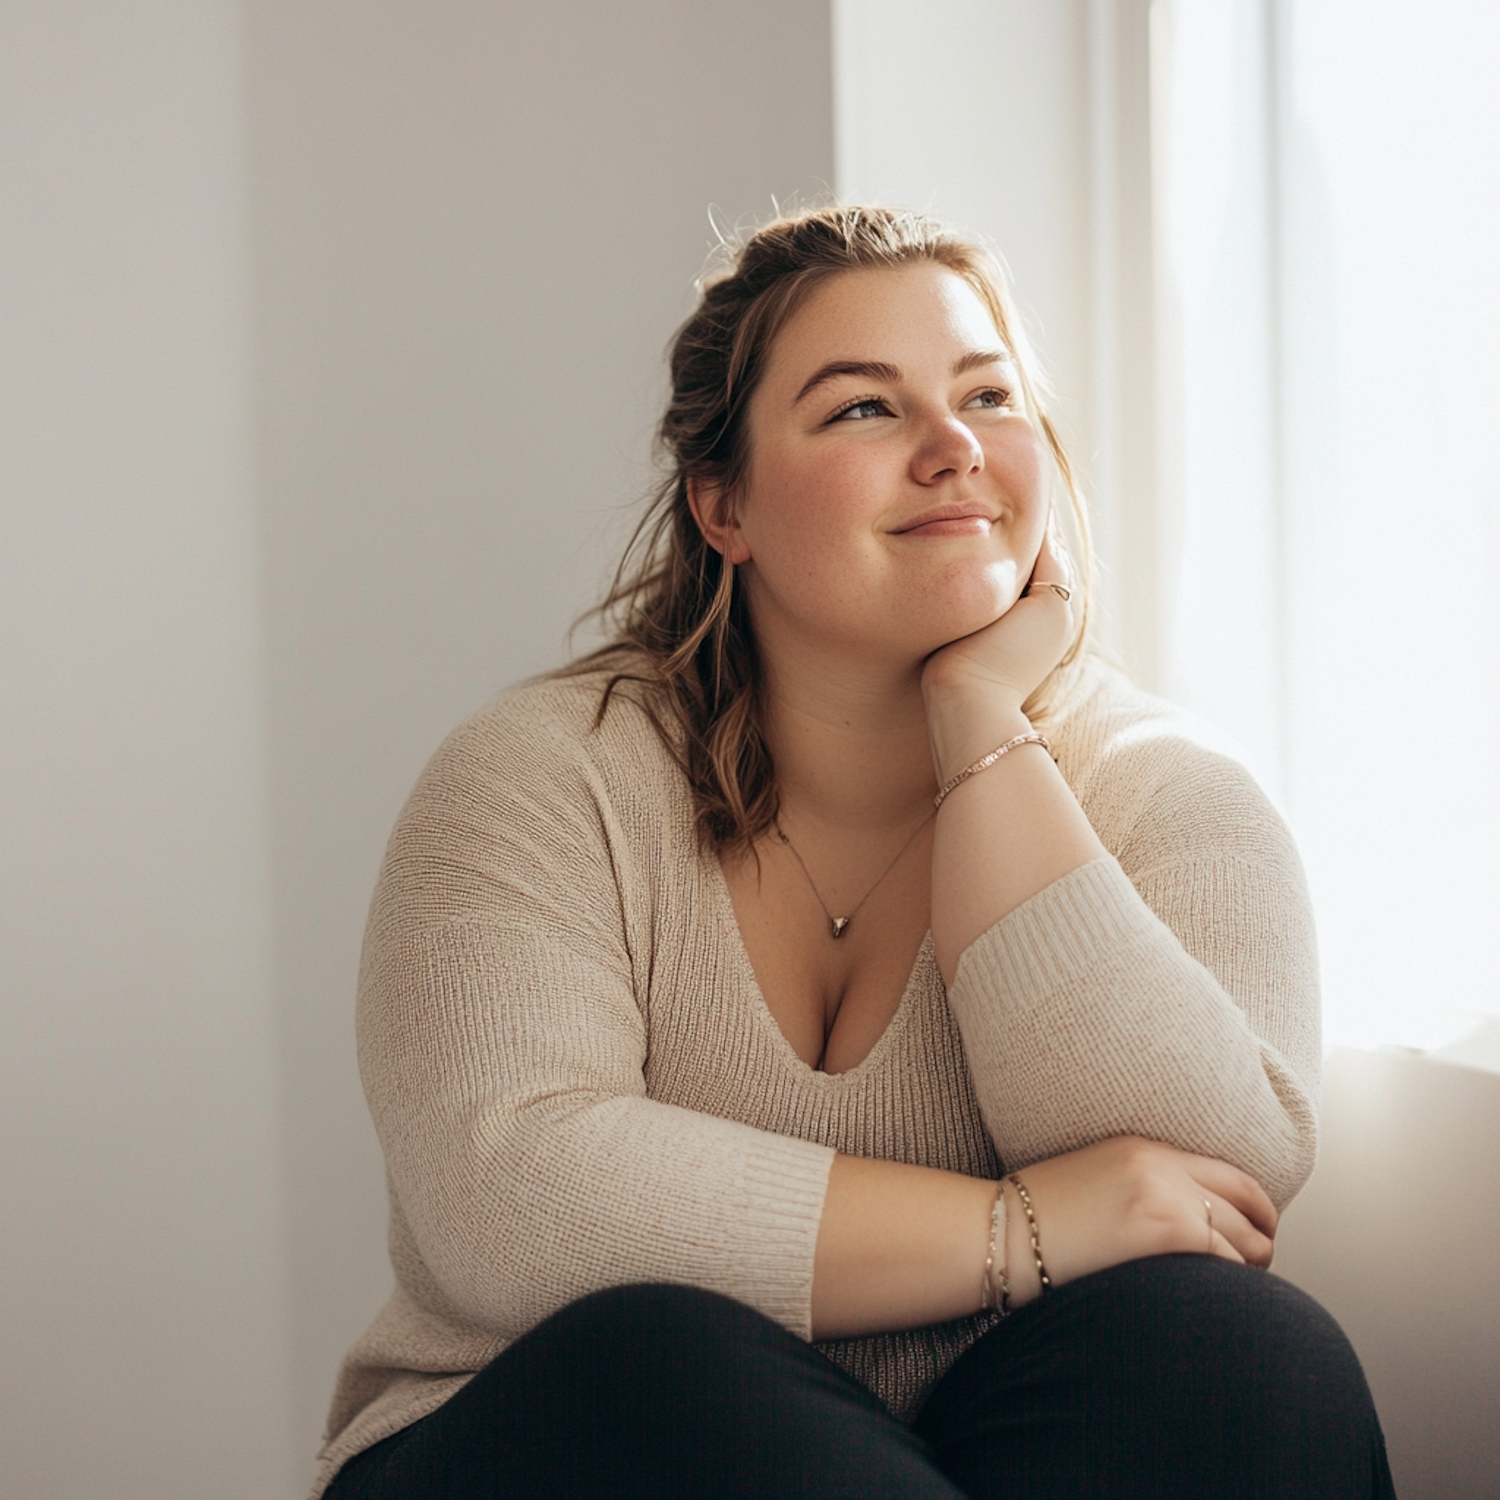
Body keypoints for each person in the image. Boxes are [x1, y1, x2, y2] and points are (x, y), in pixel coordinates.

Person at [315, 206, 1395, 1499]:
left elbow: (1209, 1187)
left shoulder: (1168, 790)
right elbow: (513, 1198)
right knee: (667, 1363)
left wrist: (984, 734)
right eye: (863, 412)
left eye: (988, 395)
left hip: (999, 1432)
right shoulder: (546, 777)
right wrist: (1017, 1233)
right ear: (723, 506)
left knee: (1246, 1355)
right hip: (562, 1439)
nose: (953, 449)